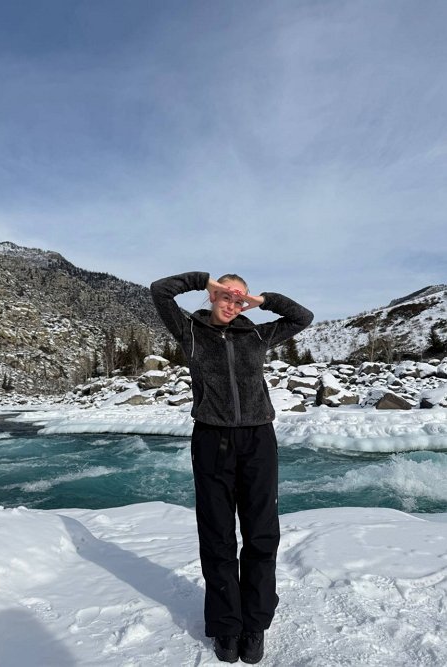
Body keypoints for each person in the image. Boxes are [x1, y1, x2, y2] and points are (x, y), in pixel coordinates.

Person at [150, 271, 313, 664]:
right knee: (218, 535)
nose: (231, 303)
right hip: (212, 439)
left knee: (260, 534)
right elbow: (160, 291)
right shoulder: (190, 330)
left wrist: (264, 300)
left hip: (258, 439)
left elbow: (302, 317)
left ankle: (254, 624)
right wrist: (205, 280)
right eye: (225, 295)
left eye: (238, 298)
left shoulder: (256, 334)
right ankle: (226, 626)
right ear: (212, 296)